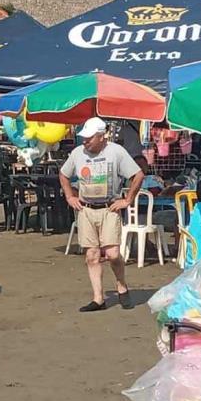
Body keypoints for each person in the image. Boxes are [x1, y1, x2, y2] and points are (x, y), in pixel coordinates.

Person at [59, 117, 143, 313]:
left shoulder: (116, 152)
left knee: (113, 253)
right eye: (84, 138)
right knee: (92, 255)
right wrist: (70, 196)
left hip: (109, 208)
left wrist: (127, 200)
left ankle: (121, 285)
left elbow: (137, 175)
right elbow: (63, 174)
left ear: (101, 137)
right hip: (86, 209)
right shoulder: (77, 153)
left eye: (89, 138)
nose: (85, 141)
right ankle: (98, 298)